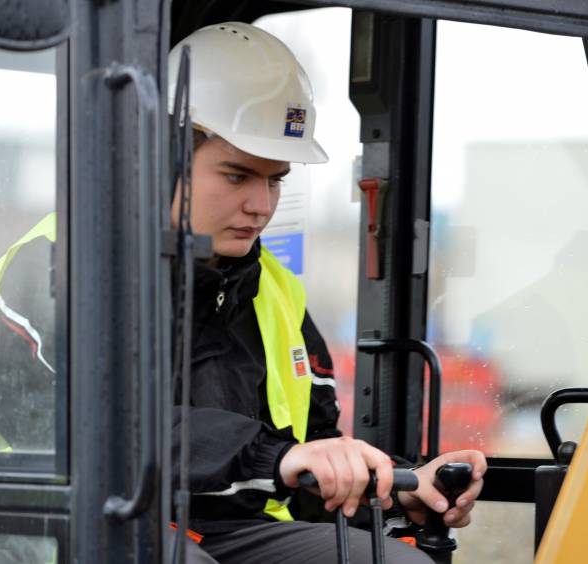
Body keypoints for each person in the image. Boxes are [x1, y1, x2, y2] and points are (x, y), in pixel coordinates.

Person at [162, 22, 486, 564]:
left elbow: (309, 454)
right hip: (76, 520)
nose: (261, 205)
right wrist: (275, 457)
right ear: (162, 157)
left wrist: (396, 486)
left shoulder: (272, 290)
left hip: (230, 530)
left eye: (275, 180)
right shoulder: (66, 267)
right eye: (238, 176)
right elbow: (107, 430)